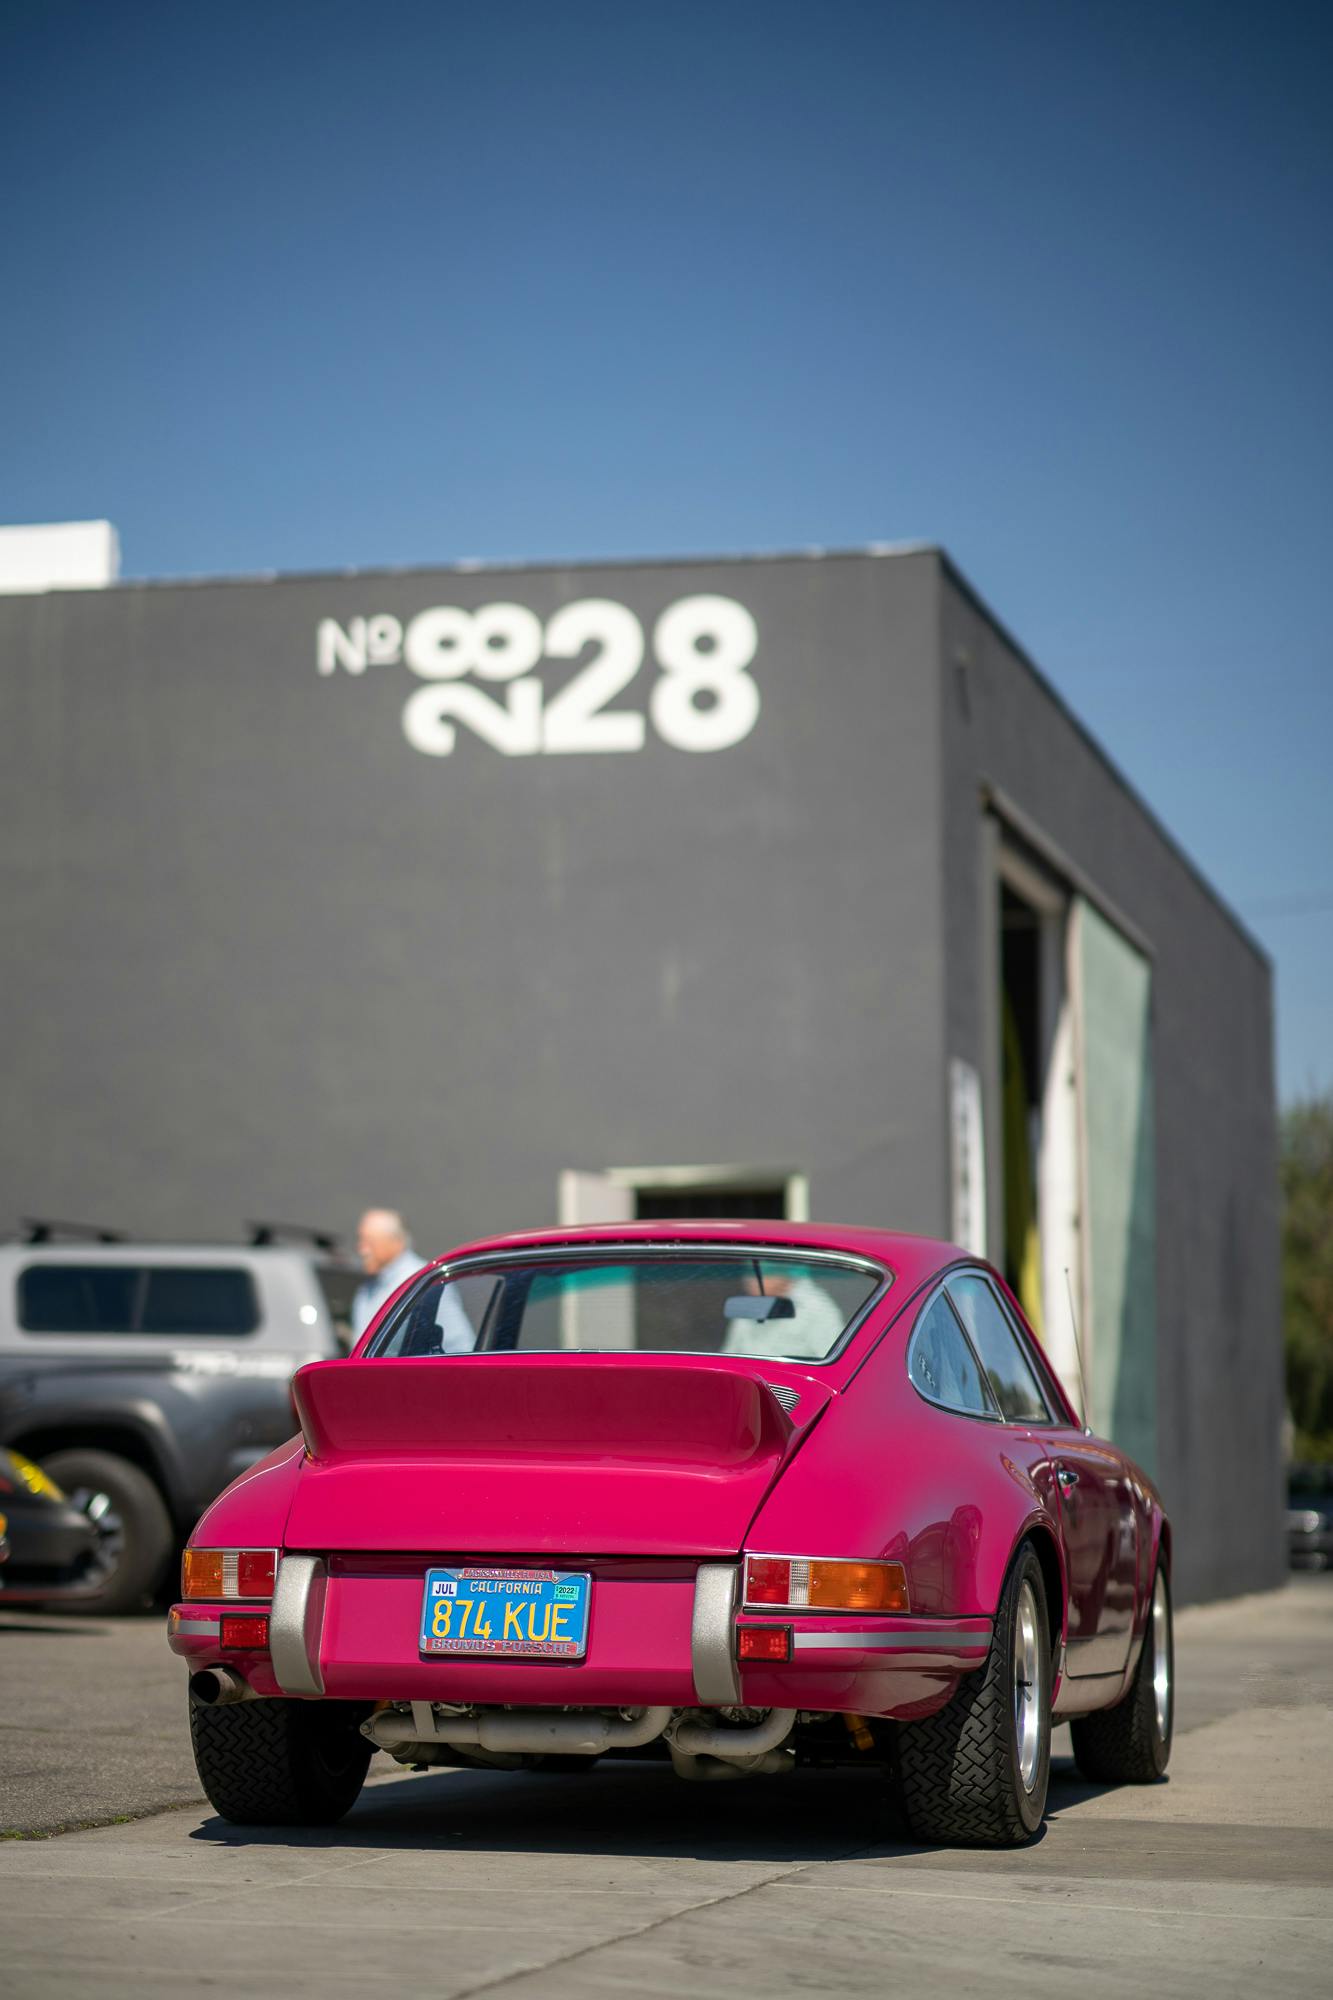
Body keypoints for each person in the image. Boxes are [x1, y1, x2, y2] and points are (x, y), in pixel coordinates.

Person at [351, 1208, 474, 1350]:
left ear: (396, 1241)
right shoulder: (368, 1288)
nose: (362, 1250)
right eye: (361, 1240)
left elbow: (459, 1344)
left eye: (369, 1242)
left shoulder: (423, 1281)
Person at [723, 1266, 847, 1361]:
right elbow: (729, 1355)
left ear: (784, 1271)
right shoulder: (748, 1306)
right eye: (749, 1272)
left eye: (765, 1271)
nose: (751, 1279)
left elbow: (833, 1364)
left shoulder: (816, 1308)